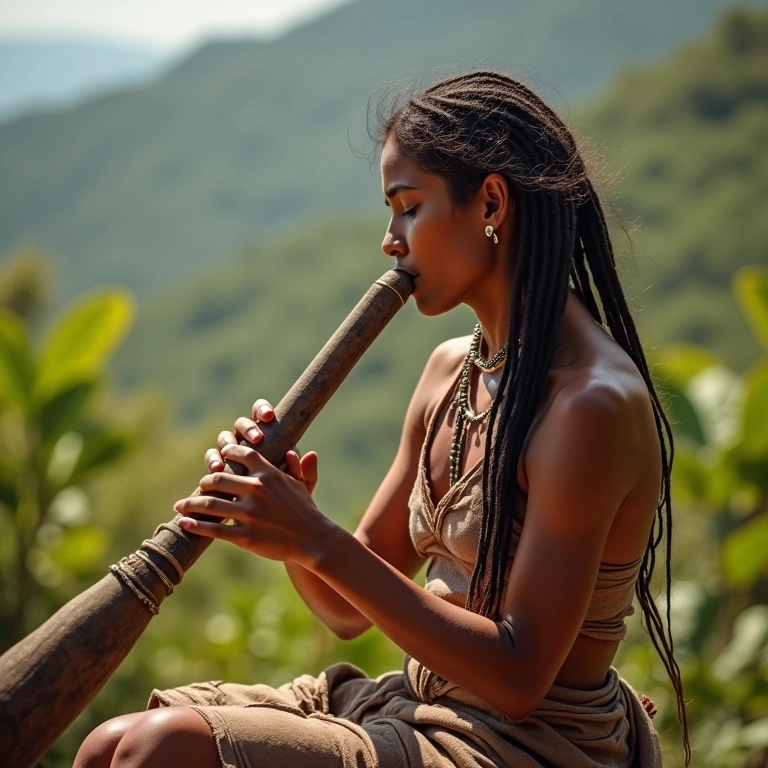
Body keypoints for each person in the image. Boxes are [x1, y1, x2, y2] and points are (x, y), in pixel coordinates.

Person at [75, 70, 689, 768]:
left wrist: (313, 536)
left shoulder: (590, 406)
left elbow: (519, 680)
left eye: (407, 207)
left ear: (490, 201)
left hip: (524, 745)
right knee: (107, 747)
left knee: (160, 751)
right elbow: (345, 611)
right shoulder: (449, 373)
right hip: (417, 707)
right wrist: (280, 520)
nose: (390, 240)